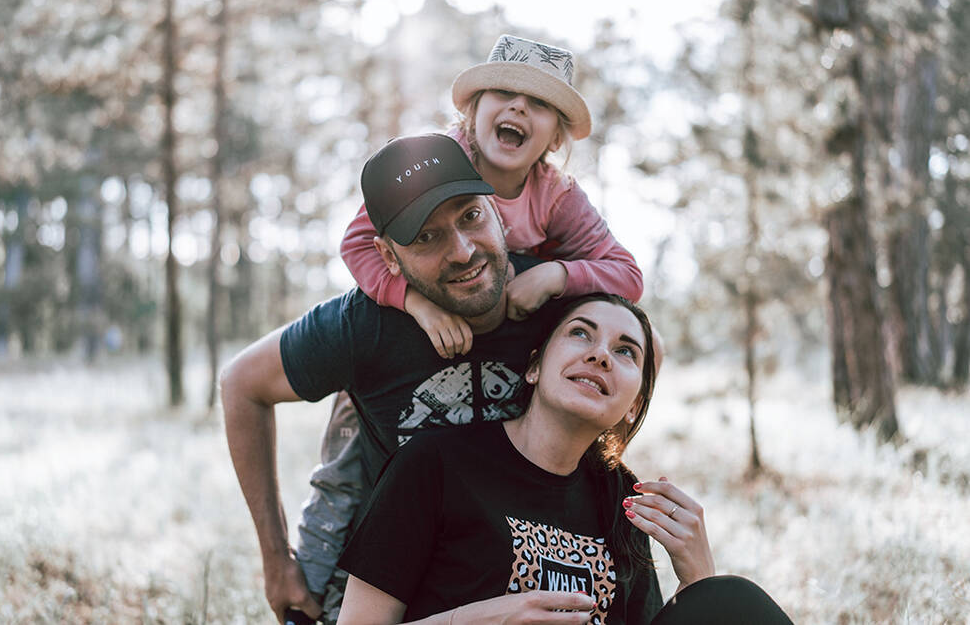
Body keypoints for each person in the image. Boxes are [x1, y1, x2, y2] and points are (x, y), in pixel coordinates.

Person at [222, 133, 570, 624]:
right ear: (389, 258)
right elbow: (241, 383)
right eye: (426, 237)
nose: (463, 251)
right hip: (397, 584)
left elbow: (640, 352)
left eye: (470, 216)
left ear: (497, 211)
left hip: (529, 576)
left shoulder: (561, 308)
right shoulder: (365, 323)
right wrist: (277, 561)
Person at [336, 295, 793, 624]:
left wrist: (699, 585)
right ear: (533, 367)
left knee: (734, 601)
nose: (600, 355)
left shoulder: (624, 500)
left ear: (633, 404)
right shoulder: (434, 465)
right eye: (580, 333)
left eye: (626, 352)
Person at [341, 34, 643, 359]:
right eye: (503, 91)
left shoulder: (557, 195)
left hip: (510, 330)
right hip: (428, 314)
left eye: (540, 103)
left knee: (648, 338)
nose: (518, 106)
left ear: (556, 138)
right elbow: (358, 244)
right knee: (364, 343)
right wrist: (416, 303)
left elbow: (627, 275)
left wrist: (555, 275)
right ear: (473, 111)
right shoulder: (434, 162)